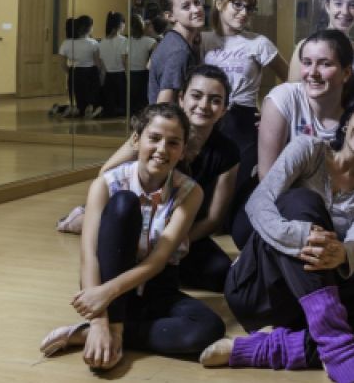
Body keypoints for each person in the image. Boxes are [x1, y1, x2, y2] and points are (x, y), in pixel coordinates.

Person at [199, 85, 354, 383]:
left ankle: (272, 348)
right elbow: (258, 203)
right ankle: (338, 349)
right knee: (301, 202)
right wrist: (301, 236)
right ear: (349, 119)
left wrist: (343, 253)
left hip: (314, 297)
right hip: (260, 290)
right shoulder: (308, 149)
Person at [39, 103, 226, 371]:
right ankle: (108, 327)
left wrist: (106, 314)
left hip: (154, 285)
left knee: (209, 329)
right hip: (110, 286)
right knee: (124, 203)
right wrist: (101, 319)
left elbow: (159, 260)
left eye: (173, 143)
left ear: (183, 150)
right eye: (155, 138)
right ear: (137, 140)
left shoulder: (190, 192)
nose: (162, 149)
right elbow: (89, 254)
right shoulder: (105, 185)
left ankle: (98, 334)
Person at [55, 65, 240, 293]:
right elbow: (107, 174)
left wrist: (168, 243)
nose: (203, 105)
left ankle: (149, 270)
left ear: (224, 109)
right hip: (133, 214)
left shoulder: (227, 151)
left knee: (222, 274)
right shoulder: (159, 126)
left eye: (214, 100)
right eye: (196, 95)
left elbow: (214, 218)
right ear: (181, 98)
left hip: (178, 226)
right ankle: (88, 218)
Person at [229, 29, 354, 248]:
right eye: (307, 63)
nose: (313, 72)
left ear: (346, 73)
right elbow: (268, 176)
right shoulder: (284, 97)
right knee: (246, 231)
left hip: (334, 201)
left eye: (325, 64)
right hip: (282, 194)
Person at [202, 0, 288, 213]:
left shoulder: (259, 43)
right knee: (210, 179)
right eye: (237, 4)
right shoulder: (203, 40)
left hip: (242, 119)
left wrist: (273, 113)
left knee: (239, 185)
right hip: (208, 117)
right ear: (219, 4)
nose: (243, 13)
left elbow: (292, 80)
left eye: (249, 7)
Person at [288, 0, 354, 86]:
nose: (345, 11)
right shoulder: (305, 47)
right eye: (338, 4)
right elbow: (293, 94)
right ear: (327, 6)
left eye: (352, 5)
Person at [148, 0, 205, 104]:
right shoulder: (179, 51)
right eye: (186, 6)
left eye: (197, 2)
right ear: (170, 16)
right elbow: (164, 105)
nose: (196, 10)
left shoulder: (173, 40)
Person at [58, 15, 103, 118]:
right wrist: (100, 73)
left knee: (79, 99)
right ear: (90, 28)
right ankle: (91, 108)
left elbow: (62, 64)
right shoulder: (93, 43)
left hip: (75, 71)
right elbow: (98, 63)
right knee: (92, 98)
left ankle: (75, 109)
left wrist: (70, 72)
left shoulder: (66, 43)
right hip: (91, 73)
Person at [98, 11, 128, 117]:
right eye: (124, 23)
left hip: (108, 77)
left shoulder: (102, 42)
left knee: (111, 106)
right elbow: (125, 61)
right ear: (121, 24)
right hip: (120, 76)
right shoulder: (124, 40)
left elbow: (101, 63)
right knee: (122, 107)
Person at [128, 14, 156, 115]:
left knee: (132, 101)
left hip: (130, 73)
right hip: (144, 73)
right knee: (143, 100)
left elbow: (124, 60)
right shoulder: (150, 41)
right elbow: (155, 57)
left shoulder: (125, 41)